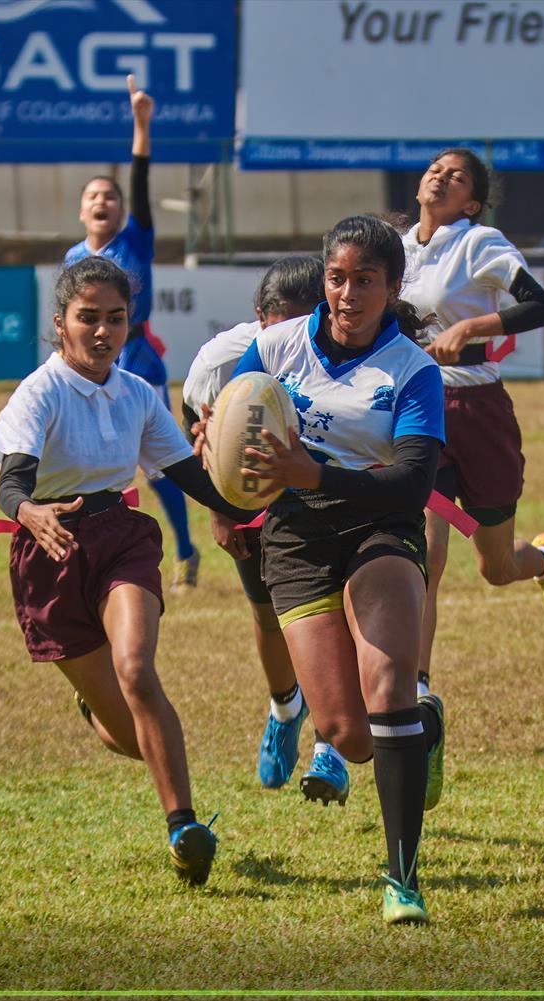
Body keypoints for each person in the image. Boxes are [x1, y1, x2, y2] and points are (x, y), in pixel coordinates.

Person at [197, 215, 446, 924]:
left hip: (380, 527)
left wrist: (313, 469)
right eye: (337, 277)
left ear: (393, 287)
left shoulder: (413, 371)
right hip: (299, 537)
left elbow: (410, 484)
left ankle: (402, 878)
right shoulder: (275, 346)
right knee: (348, 735)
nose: (347, 293)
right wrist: (215, 440)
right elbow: (236, 429)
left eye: (365, 280)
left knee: (390, 683)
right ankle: (421, 729)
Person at [0, 257, 252, 886]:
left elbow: (188, 474)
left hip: (120, 539)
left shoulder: (136, 392)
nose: (103, 331)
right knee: (133, 737)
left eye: (116, 318)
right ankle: (95, 710)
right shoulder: (39, 392)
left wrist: (252, 503)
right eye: (88, 319)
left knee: (137, 669)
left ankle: (183, 828)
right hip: (47, 556)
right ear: (60, 323)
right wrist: (29, 512)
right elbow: (11, 482)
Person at [398, 148, 544, 701]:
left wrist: (471, 326)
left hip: (478, 411)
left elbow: (540, 306)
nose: (441, 176)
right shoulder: (396, 251)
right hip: (419, 408)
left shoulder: (479, 242)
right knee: (423, 548)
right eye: (436, 168)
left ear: (471, 203)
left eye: (457, 176)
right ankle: (417, 689)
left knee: (496, 568)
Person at [181, 256, 325, 792]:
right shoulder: (219, 363)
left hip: (318, 489)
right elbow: (194, 439)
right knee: (267, 617)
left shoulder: (335, 348)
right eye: (279, 323)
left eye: (303, 322)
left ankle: (328, 744)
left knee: (329, 615)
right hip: (244, 492)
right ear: (260, 317)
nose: (291, 335)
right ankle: (286, 709)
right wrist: (220, 510)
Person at [64, 74, 201, 593]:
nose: (103, 201)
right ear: (82, 210)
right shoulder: (72, 260)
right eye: (94, 196)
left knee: (160, 463)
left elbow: (140, 180)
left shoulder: (136, 240)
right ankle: (101, 552)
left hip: (138, 359)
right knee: (95, 460)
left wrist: (141, 125)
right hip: (89, 368)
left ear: (121, 212)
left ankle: (186, 549)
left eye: (111, 196)